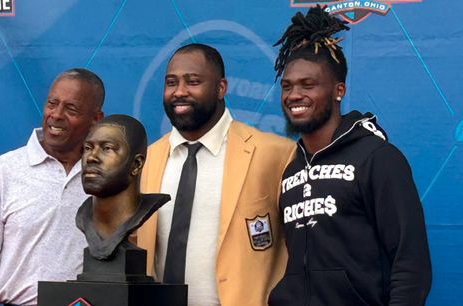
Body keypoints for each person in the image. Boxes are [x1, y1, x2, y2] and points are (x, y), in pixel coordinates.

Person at [268, 7, 432, 306]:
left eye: (309, 85)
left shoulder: (378, 158)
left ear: (338, 90)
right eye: (287, 86)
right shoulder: (291, 170)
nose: (294, 95)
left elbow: (411, 264)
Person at [136, 43, 295, 306]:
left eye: (193, 81)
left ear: (221, 88)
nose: (179, 92)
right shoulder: (147, 160)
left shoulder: (275, 154)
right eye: (171, 82)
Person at [0, 68, 105, 306]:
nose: (56, 115)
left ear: (96, 119)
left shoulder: (107, 177)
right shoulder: (3, 170)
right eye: (52, 104)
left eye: (71, 109)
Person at [76, 115, 170, 262]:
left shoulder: (146, 209)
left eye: (107, 148)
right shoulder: (83, 216)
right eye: (88, 148)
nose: (91, 157)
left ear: (137, 164)